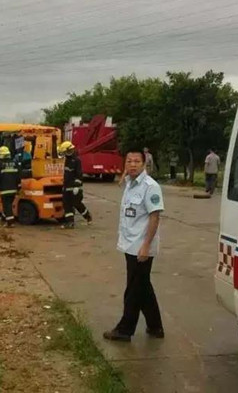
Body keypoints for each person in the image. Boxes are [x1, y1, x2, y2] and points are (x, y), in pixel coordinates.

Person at [104, 148, 164, 342]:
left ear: (144, 163)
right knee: (143, 286)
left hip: (140, 246)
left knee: (133, 290)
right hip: (129, 243)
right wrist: (124, 178)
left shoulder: (150, 186)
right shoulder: (130, 183)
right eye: (129, 161)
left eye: (136, 161)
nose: (132, 164)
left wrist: (146, 246)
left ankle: (125, 329)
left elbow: (155, 217)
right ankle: (155, 327)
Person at [59, 141, 92, 229]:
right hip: (67, 187)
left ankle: (88, 217)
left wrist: (77, 186)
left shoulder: (76, 161)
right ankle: (70, 222)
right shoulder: (66, 160)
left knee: (77, 204)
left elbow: (79, 175)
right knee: (67, 205)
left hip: (74, 188)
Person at [0, 146, 21, 228]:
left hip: (4, 190)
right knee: (8, 204)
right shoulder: (15, 163)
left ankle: (10, 222)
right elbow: (18, 176)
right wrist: (18, 187)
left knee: (7, 205)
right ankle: (3, 217)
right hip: (14, 189)